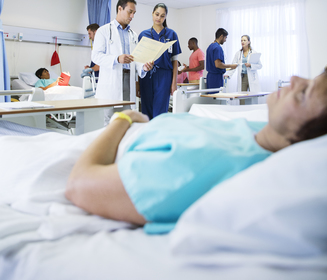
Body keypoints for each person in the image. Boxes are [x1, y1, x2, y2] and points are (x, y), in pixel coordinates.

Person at [66, 70, 327, 232]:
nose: (294, 79)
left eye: (304, 94)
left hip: (106, 142)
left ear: (302, 139)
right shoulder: (261, 131)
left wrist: (122, 120)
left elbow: (79, 184)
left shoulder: (199, 166)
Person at [92, 0, 152, 125]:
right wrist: (116, 59)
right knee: (108, 120)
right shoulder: (103, 31)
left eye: (134, 13)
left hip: (128, 82)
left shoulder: (133, 35)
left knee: (126, 120)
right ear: (120, 8)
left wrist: (144, 67)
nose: (132, 16)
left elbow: (136, 59)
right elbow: (96, 56)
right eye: (130, 11)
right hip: (111, 82)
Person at [137, 3, 181, 120]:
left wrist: (174, 83)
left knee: (160, 111)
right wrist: (137, 83)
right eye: (157, 14)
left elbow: (175, 61)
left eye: (162, 16)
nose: (159, 18)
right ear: (152, 14)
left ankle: (159, 135)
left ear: (165, 17)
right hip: (146, 76)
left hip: (164, 76)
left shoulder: (171, 34)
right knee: (146, 110)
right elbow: (138, 61)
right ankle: (149, 135)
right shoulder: (143, 35)